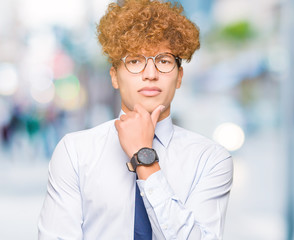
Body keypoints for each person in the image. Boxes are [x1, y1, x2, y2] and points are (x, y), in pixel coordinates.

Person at [38, 0, 233, 239]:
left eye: (163, 61)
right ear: (114, 77)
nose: (150, 74)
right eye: (135, 61)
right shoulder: (75, 152)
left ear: (179, 76)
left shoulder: (210, 159)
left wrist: (145, 158)